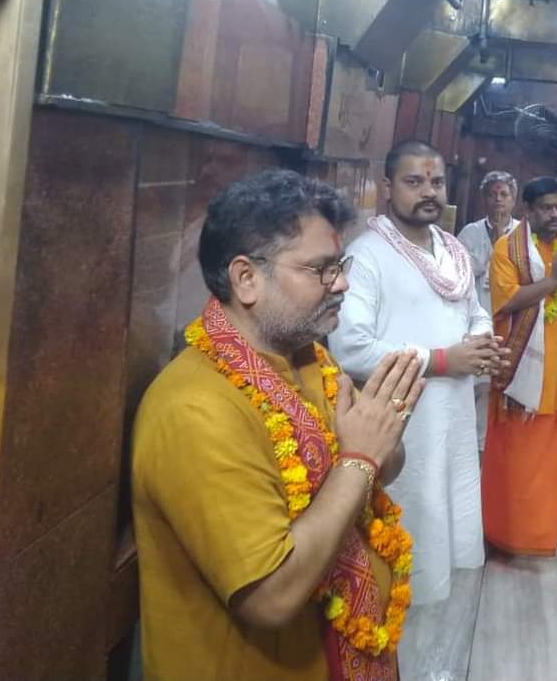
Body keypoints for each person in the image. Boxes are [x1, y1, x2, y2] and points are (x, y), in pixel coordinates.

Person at [132, 169, 424, 681]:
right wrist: (358, 459)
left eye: (340, 266)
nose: (342, 284)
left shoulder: (308, 358)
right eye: (321, 269)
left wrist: (373, 444)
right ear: (246, 279)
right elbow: (272, 597)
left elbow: (382, 461)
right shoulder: (195, 411)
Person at [329, 140, 504, 607]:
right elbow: (349, 346)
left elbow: (475, 311)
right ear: (387, 187)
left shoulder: (452, 251)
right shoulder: (367, 255)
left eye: (437, 182)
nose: (429, 191)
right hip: (403, 427)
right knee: (404, 543)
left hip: (453, 420)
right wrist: (443, 360)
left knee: (443, 528)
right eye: (414, 181)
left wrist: (481, 344)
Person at [482, 176, 557, 556]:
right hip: (519, 375)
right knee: (513, 465)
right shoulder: (507, 249)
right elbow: (508, 301)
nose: (554, 215)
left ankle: (539, 538)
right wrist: (554, 280)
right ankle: (503, 536)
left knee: (551, 469)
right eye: (546, 208)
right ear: (527, 210)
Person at [457, 170, 520, 451]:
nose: (498, 200)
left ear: (514, 200)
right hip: (474, 317)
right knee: (475, 383)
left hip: (509, 318)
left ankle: (490, 447)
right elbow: (461, 272)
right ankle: (469, 445)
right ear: (484, 199)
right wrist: (493, 247)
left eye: (504, 194)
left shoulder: (521, 234)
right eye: (492, 194)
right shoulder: (470, 233)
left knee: (498, 384)